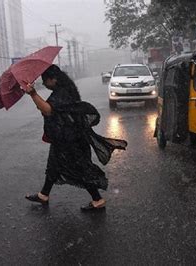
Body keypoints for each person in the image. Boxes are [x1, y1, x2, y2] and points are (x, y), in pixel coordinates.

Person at [23, 64, 127, 211]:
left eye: (45, 80)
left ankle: (97, 200)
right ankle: (43, 194)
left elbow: (48, 110)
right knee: (53, 165)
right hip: (64, 137)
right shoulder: (64, 89)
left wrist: (33, 93)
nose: (45, 84)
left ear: (53, 79)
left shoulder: (62, 92)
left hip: (71, 139)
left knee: (80, 167)